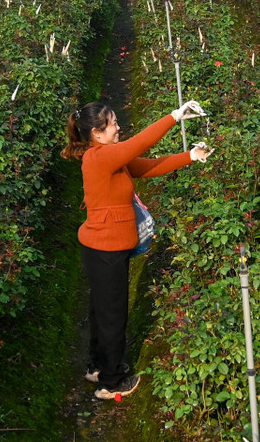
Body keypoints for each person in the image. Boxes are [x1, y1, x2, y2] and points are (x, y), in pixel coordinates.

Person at [62, 99, 212, 400]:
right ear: (97, 134)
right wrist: (174, 116)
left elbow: (149, 166)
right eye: (113, 124)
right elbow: (140, 143)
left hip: (102, 246)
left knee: (101, 310)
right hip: (106, 250)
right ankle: (112, 382)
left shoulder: (110, 158)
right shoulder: (98, 158)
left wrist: (191, 156)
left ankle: (97, 367)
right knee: (113, 315)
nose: (119, 127)